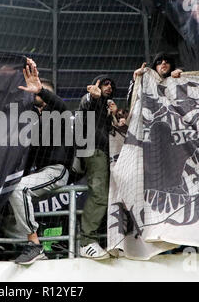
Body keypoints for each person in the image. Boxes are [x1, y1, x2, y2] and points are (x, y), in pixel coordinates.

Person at [6, 58, 74, 265]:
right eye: (35, 89)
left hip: (57, 170)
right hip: (39, 172)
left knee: (19, 189)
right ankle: (8, 245)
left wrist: (41, 90)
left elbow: (59, 104)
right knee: (8, 189)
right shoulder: (32, 119)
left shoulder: (59, 113)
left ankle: (34, 245)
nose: (37, 92)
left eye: (43, 91)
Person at [77, 75, 118, 260]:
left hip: (105, 154)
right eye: (105, 83)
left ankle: (104, 239)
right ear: (96, 86)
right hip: (94, 151)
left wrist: (114, 116)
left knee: (109, 196)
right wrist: (93, 96)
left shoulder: (106, 107)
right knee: (100, 195)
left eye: (111, 84)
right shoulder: (92, 100)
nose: (108, 86)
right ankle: (86, 243)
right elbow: (85, 105)